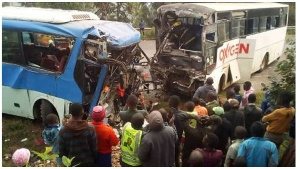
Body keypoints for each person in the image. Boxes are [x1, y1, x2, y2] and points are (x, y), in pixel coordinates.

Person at [168, 95, 187, 167]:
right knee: (176, 157)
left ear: (170, 104)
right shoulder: (183, 114)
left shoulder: (170, 115)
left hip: (171, 140)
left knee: (170, 157)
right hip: (179, 140)